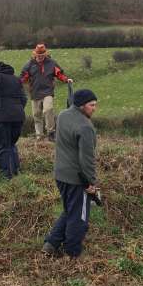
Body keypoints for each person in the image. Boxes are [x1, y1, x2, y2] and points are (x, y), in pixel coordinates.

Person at [43, 89, 98, 258]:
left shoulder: (63, 115)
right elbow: (87, 159)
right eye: (91, 105)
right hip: (76, 179)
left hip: (60, 174)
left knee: (69, 210)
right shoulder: (85, 127)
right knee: (79, 218)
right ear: (81, 106)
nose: (94, 109)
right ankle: (72, 252)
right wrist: (91, 184)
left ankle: (51, 243)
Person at [20, 43, 73, 142]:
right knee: (37, 115)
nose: (40, 57)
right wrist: (18, 83)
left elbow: (59, 74)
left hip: (47, 92)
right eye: (38, 55)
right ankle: (39, 136)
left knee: (48, 109)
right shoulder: (29, 64)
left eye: (42, 55)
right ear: (35, 54)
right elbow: (23, 77)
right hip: (35, 93)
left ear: (45, 54)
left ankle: (51, 132)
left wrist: (66, 79)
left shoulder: (51, 63)